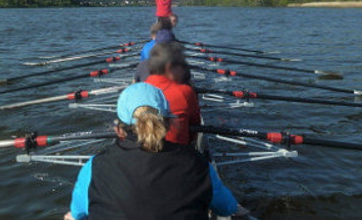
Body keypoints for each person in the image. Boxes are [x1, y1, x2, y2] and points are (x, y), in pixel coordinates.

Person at [64, 83, 238, 220]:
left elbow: (78, 213)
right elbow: (228, 208)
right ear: (168, 124)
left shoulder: (95, 166)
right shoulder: (198, 163)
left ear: (119, 129)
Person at [145, 42, 199, 145]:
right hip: (176, 154)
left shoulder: (136, 90)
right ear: (169, 68)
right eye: (183, 65)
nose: (185, 71)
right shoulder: (185, 92)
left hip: (140, 153)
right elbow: (194, 127)